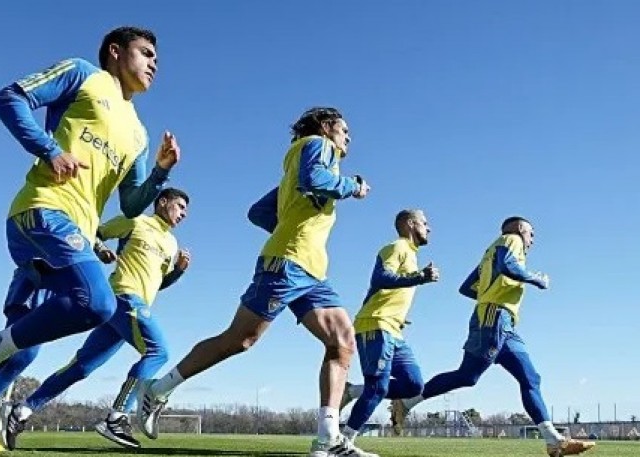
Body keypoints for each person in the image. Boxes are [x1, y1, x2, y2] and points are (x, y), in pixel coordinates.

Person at [0, 25, 180, 457]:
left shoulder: (138, 133)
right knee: (98, 304)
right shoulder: (84, 75)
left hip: (71, 237)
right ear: (115, 52)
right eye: (146, 52)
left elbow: (134, 204)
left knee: (23, 355)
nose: (154, 62)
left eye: (157, 57)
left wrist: (160, 171)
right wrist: (49, 149)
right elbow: (9, 97)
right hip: (42, 212)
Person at [136, 107, 377, 457]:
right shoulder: (318, 146)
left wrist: (289, 225)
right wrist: (352, 186)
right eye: (344, 130)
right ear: (327, 128)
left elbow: (260, 212)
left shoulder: (298, 166)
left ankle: (328, 439)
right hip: (287, 264)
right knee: (240, 339)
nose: (348, 138)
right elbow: (316, 180)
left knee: (342, 341)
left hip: (311, 271)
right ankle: (156, 390)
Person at [390, 217, 596, 457]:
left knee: (530, 378)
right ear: (520, 229)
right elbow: (509, 266)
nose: (532, 238)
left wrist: (488, 292)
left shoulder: (490, 253)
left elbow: (466, 287)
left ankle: (553, 441)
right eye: (531, 233)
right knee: (467, 376)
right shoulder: (511, 239)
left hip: (504, 323)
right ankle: (404, 402)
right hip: (493, 317)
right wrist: (536, 279)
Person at [4, 188, 191, 450]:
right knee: (157, 351)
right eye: (180, 206)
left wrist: (179, 272)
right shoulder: (135, 221)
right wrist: (101, 249)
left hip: (132, 310)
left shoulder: (171, 245)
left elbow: (159, 283)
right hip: (123, 297)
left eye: (185, 210)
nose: (183, 213)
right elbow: (93, 232)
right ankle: (117, 418)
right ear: (162, 202)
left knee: (82, 367)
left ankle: (21, 411)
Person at [339, 209, 439, 444]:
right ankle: (344, 442)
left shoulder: (411, 254)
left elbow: (378, 291)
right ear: (410, 223)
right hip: (376, 325)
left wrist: (398, 314)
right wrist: (419, 277)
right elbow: (380, 278)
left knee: (414, 384)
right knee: (377, 388)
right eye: (425, 223)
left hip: (393, 328)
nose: (429, 228)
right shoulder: (397, 247)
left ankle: (351, 391)